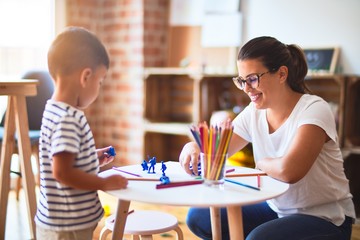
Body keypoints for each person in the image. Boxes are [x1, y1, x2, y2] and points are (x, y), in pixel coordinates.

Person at [179, 36, 356, 240]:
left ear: (282, 74)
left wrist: (261, 163)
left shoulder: (314, 109)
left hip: (326, 218)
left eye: (252, 79)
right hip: (277, 208)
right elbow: (217, 151)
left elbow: (289, 171)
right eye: (242, 80)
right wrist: (193, 146)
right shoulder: (253, 111)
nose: (246, 88)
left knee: (258, 238)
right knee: (199, 217)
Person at [35, 26, 128, 240]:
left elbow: (63, 158)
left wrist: (92, 157)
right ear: (86, 77)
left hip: (59, 222)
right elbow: (63, 173)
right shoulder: (69, 118)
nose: (99, 87)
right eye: (100, 81)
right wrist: (104, 183)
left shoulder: (53, 110)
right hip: (68, 227)